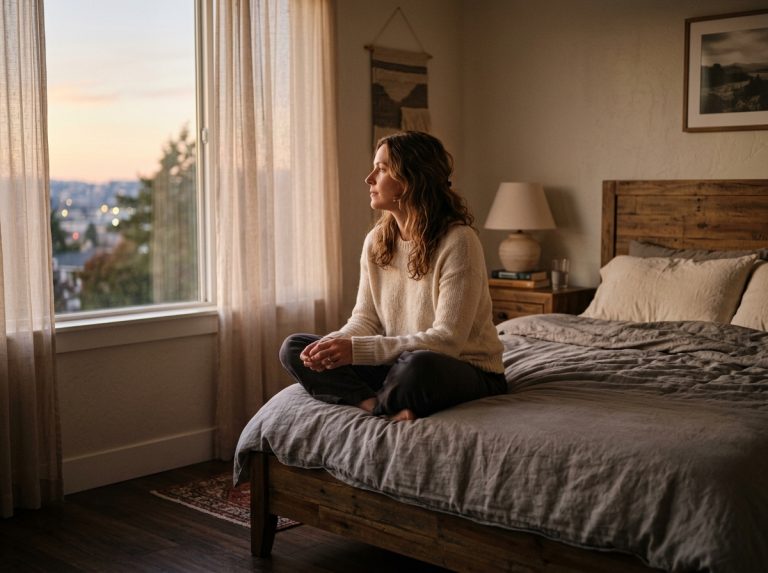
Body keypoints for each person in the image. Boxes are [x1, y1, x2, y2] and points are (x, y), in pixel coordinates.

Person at [279, 131, 505, 421]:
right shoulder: (376, 241)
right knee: (296, 348)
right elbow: (365, 319)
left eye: (382, 169)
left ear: (410, 180)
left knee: (418, 366)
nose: (369, 178)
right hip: (397, 362)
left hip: (463, 369)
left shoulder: (459, 241)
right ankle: (374, 405)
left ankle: (389, 398)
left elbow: (448, 340)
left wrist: (356, 351)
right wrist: (333, 346)